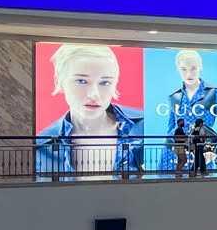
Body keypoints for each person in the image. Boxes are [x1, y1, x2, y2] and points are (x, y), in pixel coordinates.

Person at [35, 43, 145, 177]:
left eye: (105, 83)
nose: (94, 94)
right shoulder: (41, 145)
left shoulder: (144, 125)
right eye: (81, 81)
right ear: (60, 81)